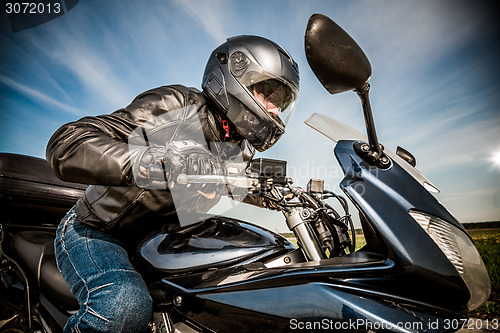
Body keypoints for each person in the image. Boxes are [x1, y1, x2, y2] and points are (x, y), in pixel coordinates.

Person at [46, 35, 299, 332]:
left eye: (281, 103)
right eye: (268, 93)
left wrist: (294, 195)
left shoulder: (241, 147)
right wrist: (151, 159)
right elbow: (68, 143)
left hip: (162, 240)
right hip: (96, 230)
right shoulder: (177, 106)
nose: (274, 111)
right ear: (235, 75)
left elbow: (244, 181)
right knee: (123, 305)